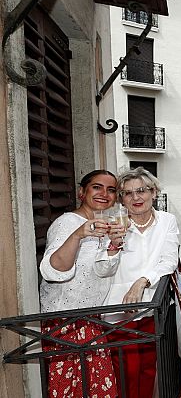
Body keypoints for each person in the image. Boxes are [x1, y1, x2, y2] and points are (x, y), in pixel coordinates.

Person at [96, 167, 180, 398]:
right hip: (118, 314)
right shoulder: (113, 223)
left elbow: (169, 261)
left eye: (142, 190)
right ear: (121, 199)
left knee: (147, 371)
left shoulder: (167, 221)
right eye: (128, 193)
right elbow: (101, 269)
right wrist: (112, 246)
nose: (136, 198)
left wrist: (142, 281)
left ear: (154, 192)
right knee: (127, 375)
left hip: (150, 310)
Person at [38, 170, 123, 398]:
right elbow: (52, 271)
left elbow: (101, 271)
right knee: (72, 390)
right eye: (97, 187)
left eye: (111, 189)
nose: (104, 193)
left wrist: (113, 248)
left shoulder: (101, 225)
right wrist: (77, 235)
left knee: (96, 390)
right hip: (65, 323)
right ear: (81, 192)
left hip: (90, 322)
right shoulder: (67, 222)